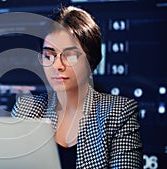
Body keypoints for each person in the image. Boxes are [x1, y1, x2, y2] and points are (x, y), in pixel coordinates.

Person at [11, 6, 143, 168]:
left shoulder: (119, 113)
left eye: (70, 56)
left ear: (91, 61)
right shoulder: (27, 109)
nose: (57, 65)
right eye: (49, 55)